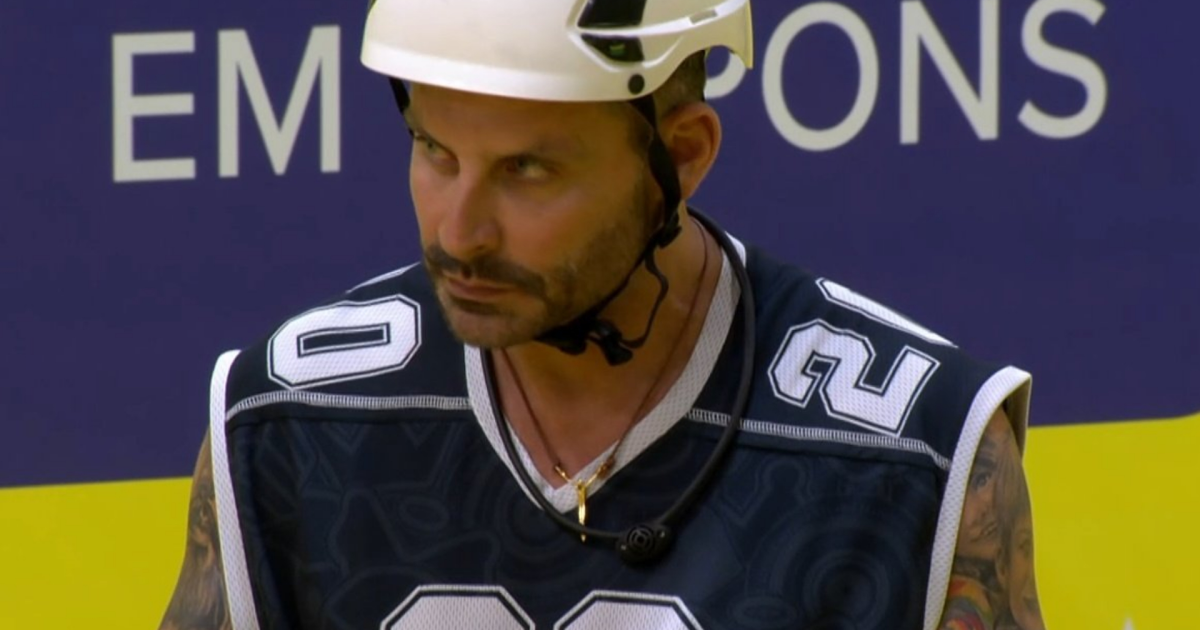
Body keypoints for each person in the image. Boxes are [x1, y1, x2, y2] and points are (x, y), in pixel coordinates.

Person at [160, 1, 1043, 628]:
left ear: (681, 157)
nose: (459, 234)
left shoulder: (913, 452)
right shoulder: (288, 418)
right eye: (434, 150)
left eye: (527, 171)